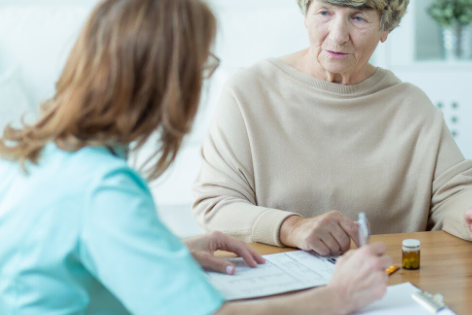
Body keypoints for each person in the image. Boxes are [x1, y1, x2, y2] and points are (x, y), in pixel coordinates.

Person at [0, 0, 392, 314]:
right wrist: (338, 297)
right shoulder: (103, 189)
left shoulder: (49, 152)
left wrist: (169, 252)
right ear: (169, 79)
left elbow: (73, 252)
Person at [192, 0, 472, 256]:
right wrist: (292, 228)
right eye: (324, 12)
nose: (336, 34)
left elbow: (455, 191)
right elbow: (216, 204)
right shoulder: (248, 91)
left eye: (358, 18)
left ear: (385, 27)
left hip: (388, 283)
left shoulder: (411, 105)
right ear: (306, 13)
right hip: (280, 286)